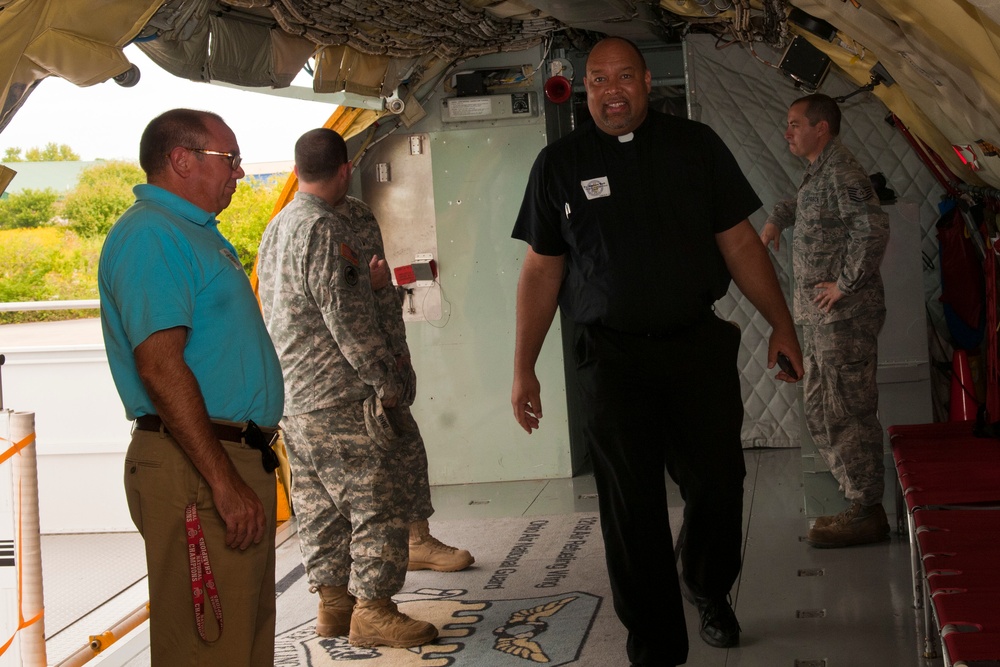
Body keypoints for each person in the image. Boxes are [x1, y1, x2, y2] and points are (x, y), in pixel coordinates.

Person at [510, 37, 802, 667]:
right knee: (630, 505)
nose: (610, 92)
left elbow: (741, 244)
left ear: (646, 82)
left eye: (623, 78)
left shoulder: (696, 149)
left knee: (720, 485)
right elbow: (541, 271)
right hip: (612, 361)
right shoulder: (558, 164)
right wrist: (523, 368)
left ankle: (705, 583)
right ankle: (655, 642)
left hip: (694, 347)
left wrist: (782, 324)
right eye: (596, 81)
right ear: (583, 88)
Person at [255, 127, 473, 649]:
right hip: (343, 395)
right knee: (377, 503)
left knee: (320, 506)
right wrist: (389, 381)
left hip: (298, 397)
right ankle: (374, 609)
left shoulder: (278, 226)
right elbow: (346, 320)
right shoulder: (328, 231)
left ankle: (334, 606)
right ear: (346, 168)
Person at [98, 108, 284, 665]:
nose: (240, 172)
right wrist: (224, 483)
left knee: (242, 641)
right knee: (209, 649)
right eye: (230, 159)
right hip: (199, 467)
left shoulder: (192, 234)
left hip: (224, 456)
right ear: (181, 160)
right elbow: (159, 367)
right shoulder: (151, 235)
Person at [760, 93, 890, 549]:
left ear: (822, 128)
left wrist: (845, 285)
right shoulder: (818, 172)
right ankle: (860, 502)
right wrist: (777, 220)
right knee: (820, 411)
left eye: (795, 123)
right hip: (820, 324)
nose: (787, 132)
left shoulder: (843, 171)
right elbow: (805, 204)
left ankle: (868, 510)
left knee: (847, 413)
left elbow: (872, 229)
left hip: (844, 322)